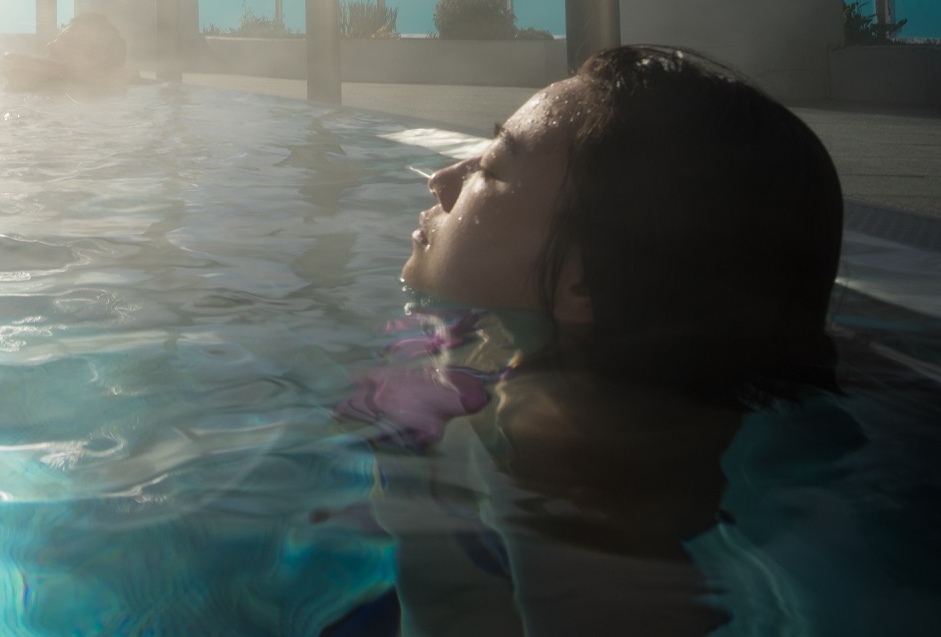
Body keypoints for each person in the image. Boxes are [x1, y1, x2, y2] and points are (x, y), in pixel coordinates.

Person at [348, 45, 843, 636]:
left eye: (490, 168)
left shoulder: (568, 453)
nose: (442, 179)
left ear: (579, 284)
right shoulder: (578, 385)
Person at [0, 12, 139, 93]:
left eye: (69, 43)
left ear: (100, 63)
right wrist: (79, 75)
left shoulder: (104, 102)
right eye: (57, 38)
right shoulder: (48, 77)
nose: (51, 46)